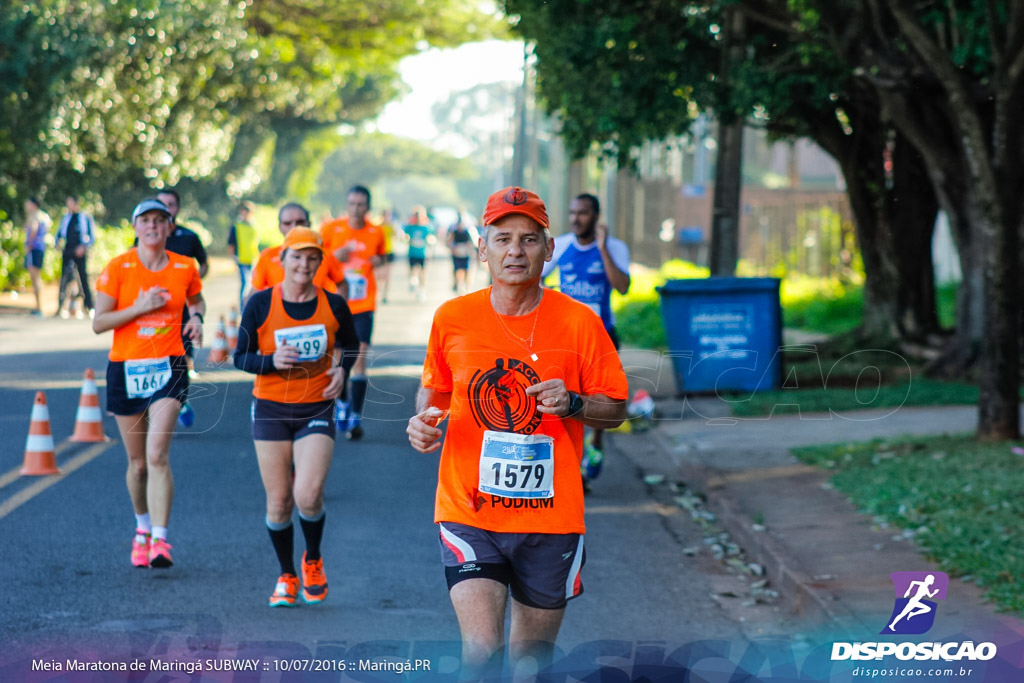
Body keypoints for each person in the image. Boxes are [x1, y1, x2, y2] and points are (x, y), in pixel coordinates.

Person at [406, 186, 629, 678]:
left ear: (549, 251)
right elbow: (435, 393)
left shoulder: (580, 323)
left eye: (529, 240)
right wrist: (423, 422)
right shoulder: (453, 318)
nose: (515, 251)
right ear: (482, 249)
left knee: (530, 665)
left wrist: (571, 404)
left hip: (551, 519)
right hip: (470, 510)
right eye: (502, 239)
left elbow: (614, 409)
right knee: (482, 654)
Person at [234, 226, 359, 607]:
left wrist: (342, 370)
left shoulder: (333, 303)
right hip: (270, 407)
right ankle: (286, 574)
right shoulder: (260, 303)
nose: (304, 264)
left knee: (307, 495)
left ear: (320, 262)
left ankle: (314, 559)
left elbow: (351, 344)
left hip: (316, 405)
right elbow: (240, 356)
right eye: (297, 257)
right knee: (279, 502)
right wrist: (270, 361)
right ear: (282, 260)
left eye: (312, 258)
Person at [92, 198, 205, 569]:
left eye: (160, 220)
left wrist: (198, 319)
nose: (153, 226)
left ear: (170, 227)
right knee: (138, 464)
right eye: (146, 221)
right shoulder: (118, 268)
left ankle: (160, 539)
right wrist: (139, 308)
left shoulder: (185, 266)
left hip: (168, 366)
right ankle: (141, 528)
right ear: (135, 227)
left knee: (158, 454)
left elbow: (197, 299)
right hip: (126, 368)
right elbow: (100, 322)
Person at [542, 193, 631, 491]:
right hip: (566, 337)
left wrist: (603, 249)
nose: (575, 218)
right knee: (569, 397)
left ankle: (595, 444)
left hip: (603, 335)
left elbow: (622, 286)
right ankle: (572, 465)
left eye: (582, 213)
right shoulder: (562, 245)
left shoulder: (615, 247)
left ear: (595, 215)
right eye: (572, 213)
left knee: (601, 399)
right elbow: (533, 277)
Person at [320, 185, 388, 440]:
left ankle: (356, 416)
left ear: (368, 207)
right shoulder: (331, 229)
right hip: (337, 303)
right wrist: (333, 255)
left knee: (359, 357)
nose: (356, 209)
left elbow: (383, 255)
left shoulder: (376, 231)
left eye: (361, 204)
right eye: (352, 203)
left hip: (363, 305)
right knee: (339, 359)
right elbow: (314, 256)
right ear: (346, 205)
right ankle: (343, 403)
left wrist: (379, 261)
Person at [155, 189, 208, 426]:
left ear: (177, 208)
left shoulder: (189, 237)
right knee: (158, 358)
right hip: (153, 311)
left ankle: (182, 399)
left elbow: (204, 264)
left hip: (183, 308)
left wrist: (193, 282)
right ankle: (156, 402)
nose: (166, 209)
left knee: (182, 358)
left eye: (170, 204)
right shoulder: (146, 238)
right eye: (160, 204)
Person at [250, 203, 346, 296]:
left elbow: (342, 284)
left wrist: (336, 310)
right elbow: (254, 292)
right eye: (288, 223)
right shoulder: (268, 256)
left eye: (300, 222)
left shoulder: (324, 254)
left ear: (309, 223)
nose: (294, 227)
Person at [55, 195, 97, 319]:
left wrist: (83, 247)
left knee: (83, 278)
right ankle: (61, 306)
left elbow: (91, 237)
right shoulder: (66, 218)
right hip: (68, 250)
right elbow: (59, 234)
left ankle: (89, 307)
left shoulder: (85, 217)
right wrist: (57, 244)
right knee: (65, 277)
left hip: (80, 251)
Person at [227, 200, 260, 311]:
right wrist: (233, 258)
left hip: (252, 259)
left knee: (253, 284)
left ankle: (249, 307)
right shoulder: (236, 226)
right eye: (244, 211)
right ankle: (243, 309)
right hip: (241, 259)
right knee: (245, 283)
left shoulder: (254, 226)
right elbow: (231, 244)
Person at [23, 197, 51, 317]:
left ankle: (39, 307)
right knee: (36, 277)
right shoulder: (43, 215)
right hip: (40, 249)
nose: (26, 206)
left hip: (34, 249)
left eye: (28, 204)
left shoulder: (35, 216)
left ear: (33, 205)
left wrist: (29, 244)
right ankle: (38, 306)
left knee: (35, 278)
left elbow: (33, 229)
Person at [403, 205, 434, 301]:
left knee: (423, 273)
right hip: (412, 252)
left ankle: (422, 291)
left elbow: (431, 238)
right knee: (412, 270)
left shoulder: (427, 228)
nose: (417, 218)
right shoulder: (409, 227)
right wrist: (407, 239)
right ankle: (413, 280)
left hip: (423, 253)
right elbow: (405, 237)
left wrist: (430, 241)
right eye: (416, 216)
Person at [446, 213, 476, 295]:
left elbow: (473, 242)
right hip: (456, 254)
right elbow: (449, 242)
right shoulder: (454, 231)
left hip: (466, 254)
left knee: (467, 270)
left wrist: (469, 249)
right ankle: (456, 283)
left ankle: (466, 286)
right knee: (456, 269)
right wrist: (453, 248)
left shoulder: (468, 231)